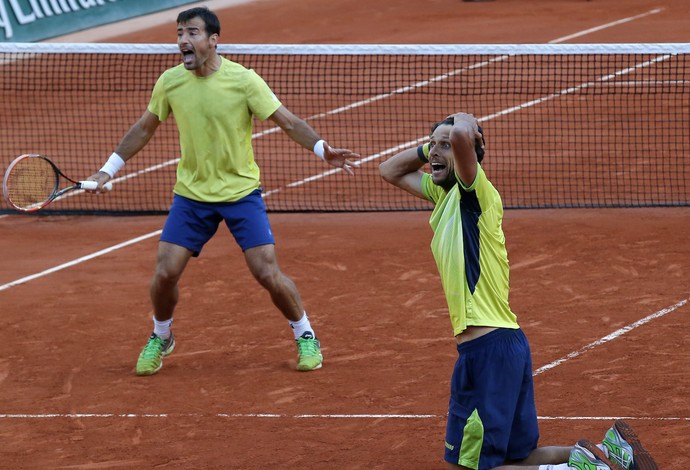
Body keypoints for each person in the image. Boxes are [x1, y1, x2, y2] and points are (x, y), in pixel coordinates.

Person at [87, 7, 359, 376]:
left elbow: (288, 121)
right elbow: (143, 128)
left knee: (266, 272)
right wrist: (107, 171)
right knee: (165, 272)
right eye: (180, 32)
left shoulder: (243, 81)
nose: (184, 39)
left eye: (193, 32)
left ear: (213, 40)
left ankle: (305, 334)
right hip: (192, 195)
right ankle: (161, 335)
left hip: (240, 193)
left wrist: (322, 149)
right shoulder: (170, 82)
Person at [378, 113, 657, 470]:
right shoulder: (444, 194)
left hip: (486, 352)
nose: (435, 151)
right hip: (505, 346)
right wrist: (433, 145)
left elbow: (464, 134)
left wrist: (464, 126)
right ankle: (608, 452)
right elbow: (389, 171)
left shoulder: (473, 190)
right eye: (432, 144)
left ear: (471, 153)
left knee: (468, 467)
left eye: (446, 146)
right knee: (520, 458)